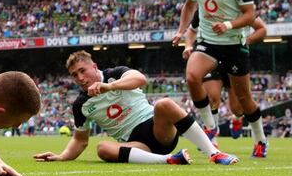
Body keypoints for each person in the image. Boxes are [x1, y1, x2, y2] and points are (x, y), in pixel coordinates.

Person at [33, 51, 238, 165]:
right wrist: (60, 156)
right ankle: (169, 160)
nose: (79, 78)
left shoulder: (116, 73)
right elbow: (80, 140)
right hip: (137, 146)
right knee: (102, 148)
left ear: (94, 66)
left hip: (159, 130)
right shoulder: (80, 104)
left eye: (82, 71)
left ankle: (213, 153)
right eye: (74, 75)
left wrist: (108, 87)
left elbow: (140, 78)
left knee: (164, 104)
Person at [171, 0, 266, 158]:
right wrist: (181, 31)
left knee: (243, 102)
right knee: (192, 76)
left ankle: (260, 139)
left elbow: (251, 15)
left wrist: (229, 24)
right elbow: (189, 6)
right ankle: (210, 125)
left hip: (234, 45)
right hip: (208, 43)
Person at [184, 12, 268, 149]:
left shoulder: (238, 3)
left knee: (238, 107)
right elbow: (191, 29)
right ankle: (212, 138)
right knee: (212, 98)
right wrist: (188, 45)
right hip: (210, 54)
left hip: (234, 55)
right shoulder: (204, 2)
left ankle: (238, 119)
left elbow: (262, 29)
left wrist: (248, 40)